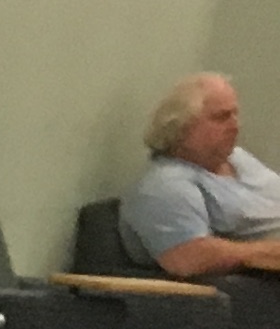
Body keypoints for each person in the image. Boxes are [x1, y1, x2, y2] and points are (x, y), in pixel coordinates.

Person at [119, 74, 280, 277]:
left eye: (235, 114)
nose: (235, 126)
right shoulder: (164, 185)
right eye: (221, 117)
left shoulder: (238, 158)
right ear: (181, 127)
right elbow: (189, 259)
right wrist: (271, 251)